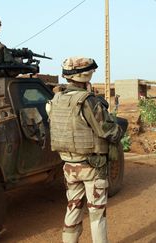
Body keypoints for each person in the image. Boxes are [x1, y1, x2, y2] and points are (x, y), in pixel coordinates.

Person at [47, 57, 123, 243]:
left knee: (73, 208)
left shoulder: (56, 100)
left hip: (69, 166)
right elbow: (109, 131)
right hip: (92, 167)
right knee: (97, 214)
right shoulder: (87, 101)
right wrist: (118, 127)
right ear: (86, 76)